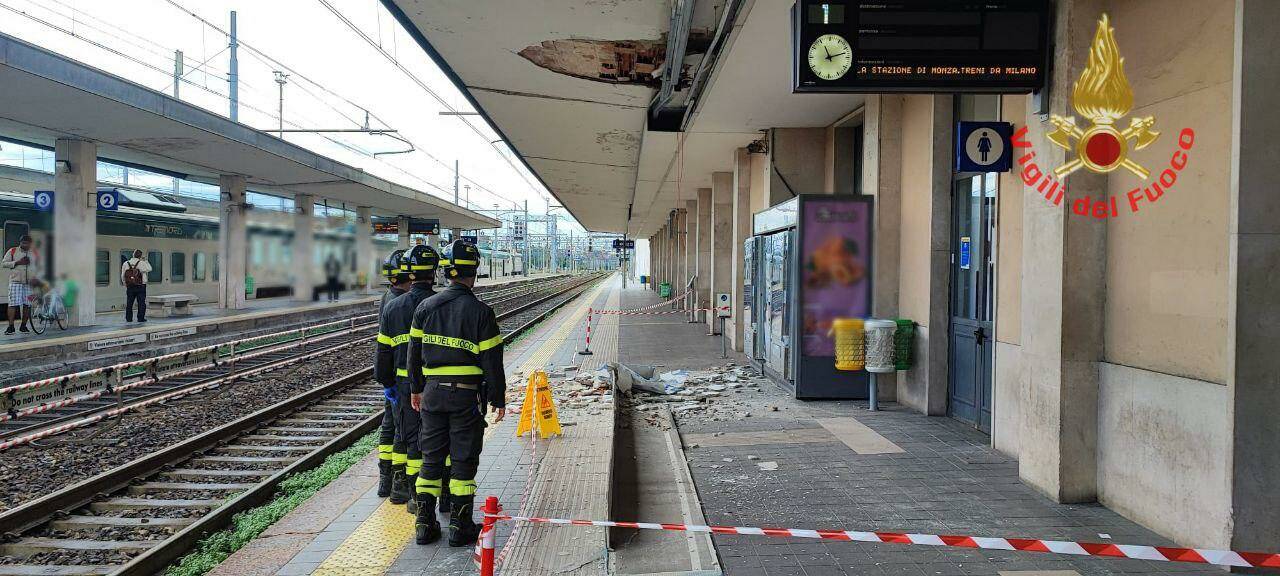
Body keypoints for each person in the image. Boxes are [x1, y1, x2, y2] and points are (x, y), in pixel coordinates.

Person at [408, 240, 506, 546]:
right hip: (465, 397)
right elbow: (492, 360)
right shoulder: (481, 312)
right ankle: (460, 526)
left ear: (446, 272)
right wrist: (498, 398)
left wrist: (415, 389)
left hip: (432, 395)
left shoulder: (425, 307)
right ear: (474, 271)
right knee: (463, 461)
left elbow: (413, 354)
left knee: (431, 459)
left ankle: (424, 525)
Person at [377, 246, 440, 514]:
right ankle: (440, 496)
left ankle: (401, 489)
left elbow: (383, 351)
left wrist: (386, 382)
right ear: (435, 272)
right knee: (436, 439)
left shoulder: (392, 307)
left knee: (404, 437)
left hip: (402, 386)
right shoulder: (439, 305)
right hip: (433, 385)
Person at [375, 249, 409, 498]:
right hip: (402, 375)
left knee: (389, 426)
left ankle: (385, 480)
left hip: (392, 376)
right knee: (400, 428)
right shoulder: (400, 303)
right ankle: (398, 483)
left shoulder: (387, 297)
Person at [2, 235, 39, 334]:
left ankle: (23, 326)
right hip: (15, 282)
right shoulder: (13, 251)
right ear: (20, 242)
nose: (24, 245)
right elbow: (4, 263)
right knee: (13, 304)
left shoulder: (34, 253)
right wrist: (17, 262)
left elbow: (37, 266)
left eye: (27, 243)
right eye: (23, 243)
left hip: (29, 283)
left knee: (27, 304)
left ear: (30, 244)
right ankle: (11, 327)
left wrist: (35, 277)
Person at [121, 250, 153, 323]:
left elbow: (123, 275)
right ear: (140, 256)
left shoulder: (126, 263)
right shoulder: (142, 263)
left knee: (129, 303)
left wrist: (125, 283)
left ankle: (129, 318)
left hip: (130, 286)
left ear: (133, 255)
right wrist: (146, 261)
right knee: (141, 302)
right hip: (141, 286)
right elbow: (149, 269)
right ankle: (140, 318)